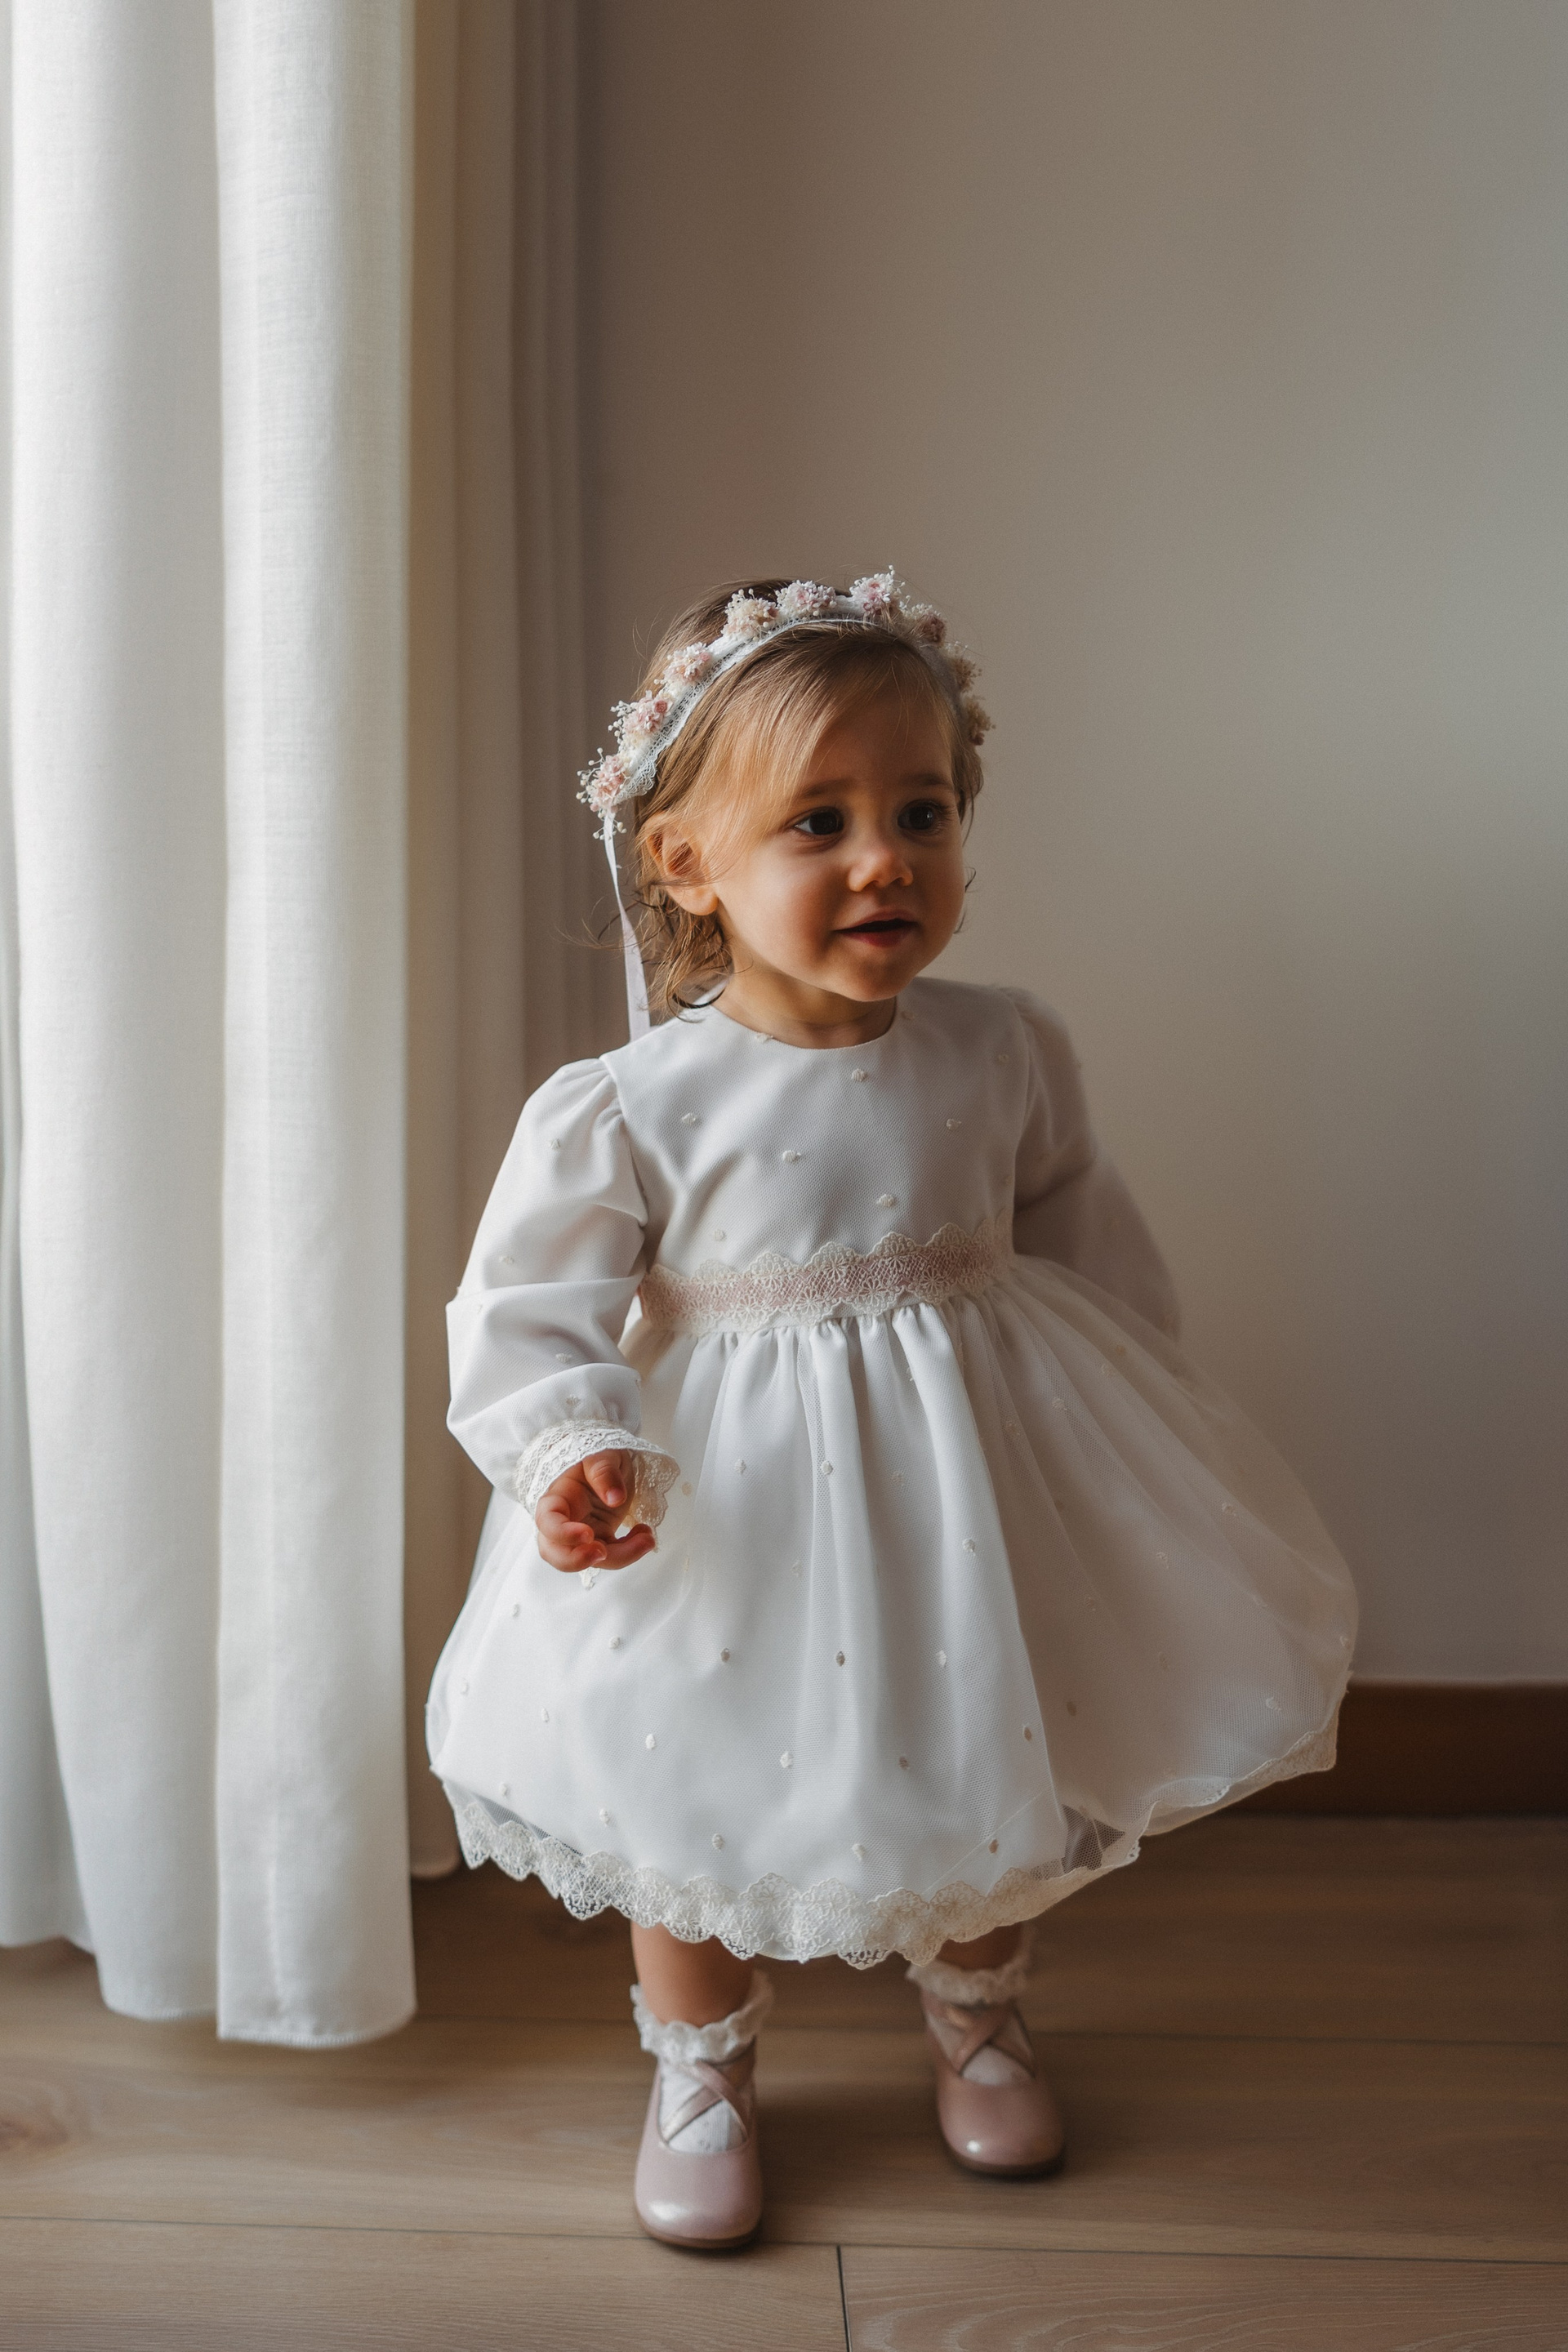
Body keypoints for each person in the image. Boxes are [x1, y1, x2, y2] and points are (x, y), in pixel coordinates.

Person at [426, 573, 1356, 2251]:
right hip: (724, 1510)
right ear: (686, 862)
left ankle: (978, 2011)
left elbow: (1079, 1239)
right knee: (681, 1780)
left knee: (989, 1743)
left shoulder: (1004, 1050)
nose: (885, 859)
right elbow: (526, 1307)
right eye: (820, 821)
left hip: (966, 1490)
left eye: (921, 812)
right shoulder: (630, 1104)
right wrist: (571, 1446)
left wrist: (1126, 1438)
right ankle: (701, 2067)